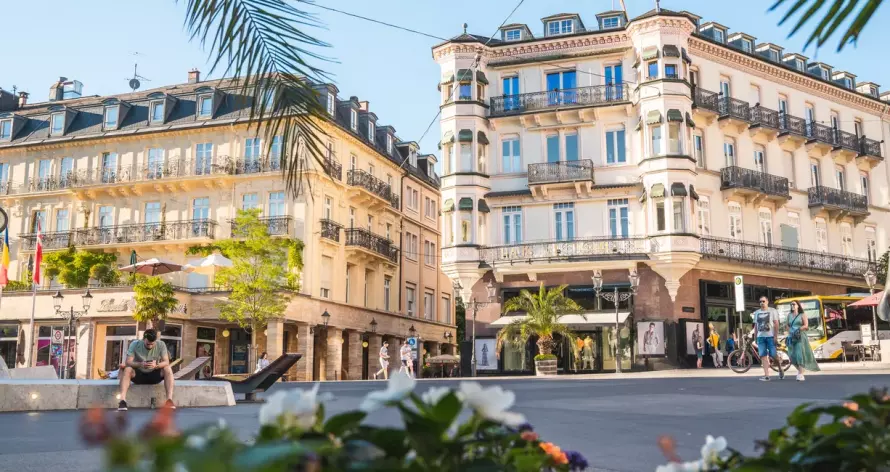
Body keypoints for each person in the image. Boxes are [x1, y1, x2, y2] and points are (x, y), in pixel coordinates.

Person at [118, 329, 175, 411]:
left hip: (154, 374)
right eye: (148, 344)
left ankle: (169, 400)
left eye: (152, 344)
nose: (150, 346)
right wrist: (140, 364)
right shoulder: (135, 344)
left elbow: (166, 361)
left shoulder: (161, 344)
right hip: (139, 374)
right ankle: (122, 401)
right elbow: (128, 362)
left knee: (167, 368)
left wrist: (156, 365)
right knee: (128, 369)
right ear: (143, 339)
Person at [785, 300, 820, 381]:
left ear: (798, 306)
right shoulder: (789, 315)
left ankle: (800, 374)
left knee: (799, 354)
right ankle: (801, 371)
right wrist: (790, 331)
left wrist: (798, 329)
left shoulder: (802, 314)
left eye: (794, 304)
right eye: (791, 304)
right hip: (791, 336)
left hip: (800, 336)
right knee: (791, 356)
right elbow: (787, 325)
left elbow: (806, 325)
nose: (792, 306)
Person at [753, 296, 784, 381]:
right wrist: (755, 337)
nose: (761, 303)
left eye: (763, 301)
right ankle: (767, 376)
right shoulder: (757, 313)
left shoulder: (772, 311)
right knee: (763, 355)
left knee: (773, 355)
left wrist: (775, 336)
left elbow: (776, 324)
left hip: (770, 336)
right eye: (760, 302)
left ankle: (780, 368)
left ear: (767, 301)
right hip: (760, 337)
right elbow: (756, 326)